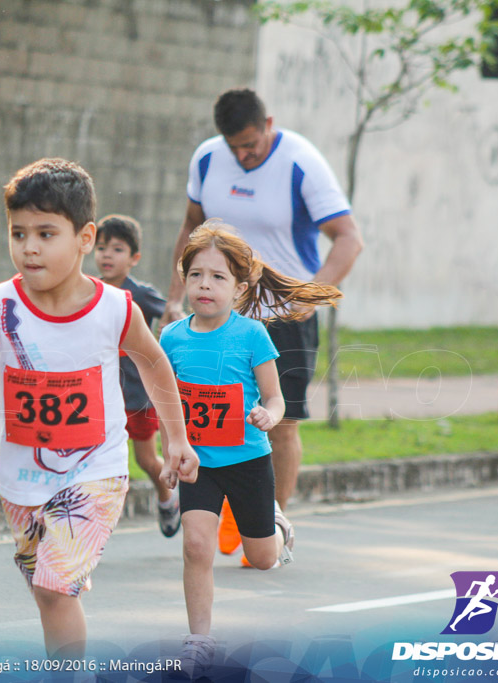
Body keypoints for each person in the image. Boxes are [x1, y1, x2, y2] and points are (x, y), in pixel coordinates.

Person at [0, 158, 199, 659]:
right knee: (48, 594)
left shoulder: (115, 308)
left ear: (85, 237)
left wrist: (178, 438)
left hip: (97, 469)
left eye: (46, 233)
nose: (29, 247)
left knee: (53, 586)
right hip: (22, 479)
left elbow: (155, 366)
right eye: (18, 233)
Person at [162, 88, 363, 562]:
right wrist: (175, 297)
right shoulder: (209, 158)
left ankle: (268, 527)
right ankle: (213, 511)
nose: (243, 154)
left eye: (250, 144)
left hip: (280, 315)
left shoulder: (301, 162)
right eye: (234, 146)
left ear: (269, 123)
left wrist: (309, 299)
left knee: (283, 423)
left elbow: (349, 239)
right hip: (214, 314)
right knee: (207, 415)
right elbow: (191, 227)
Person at [160, 222, 341, 678]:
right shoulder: (172, 338)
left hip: (248, 460)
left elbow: (276, 398)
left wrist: (270, 416)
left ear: (239, 288)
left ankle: (277, 524)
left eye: (218, 277)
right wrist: (170, 454)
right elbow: (169, 407)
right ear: (185, 279)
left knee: (262, 559)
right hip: (199, 464)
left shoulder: (252, 336)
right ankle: (199, 641)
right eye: (196, 274)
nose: (205, 285)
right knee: (197, 546)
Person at [93, 214, 180, 537]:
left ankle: (167, 498)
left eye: (116, 249)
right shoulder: (88, 292)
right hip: (99, 397)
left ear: (134, 259)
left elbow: (172, 313)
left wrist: (175, 317)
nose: (106, 255)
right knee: (98, 462)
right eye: (101, 248)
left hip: (139, 396)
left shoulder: (141, 295)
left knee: (146, 461)